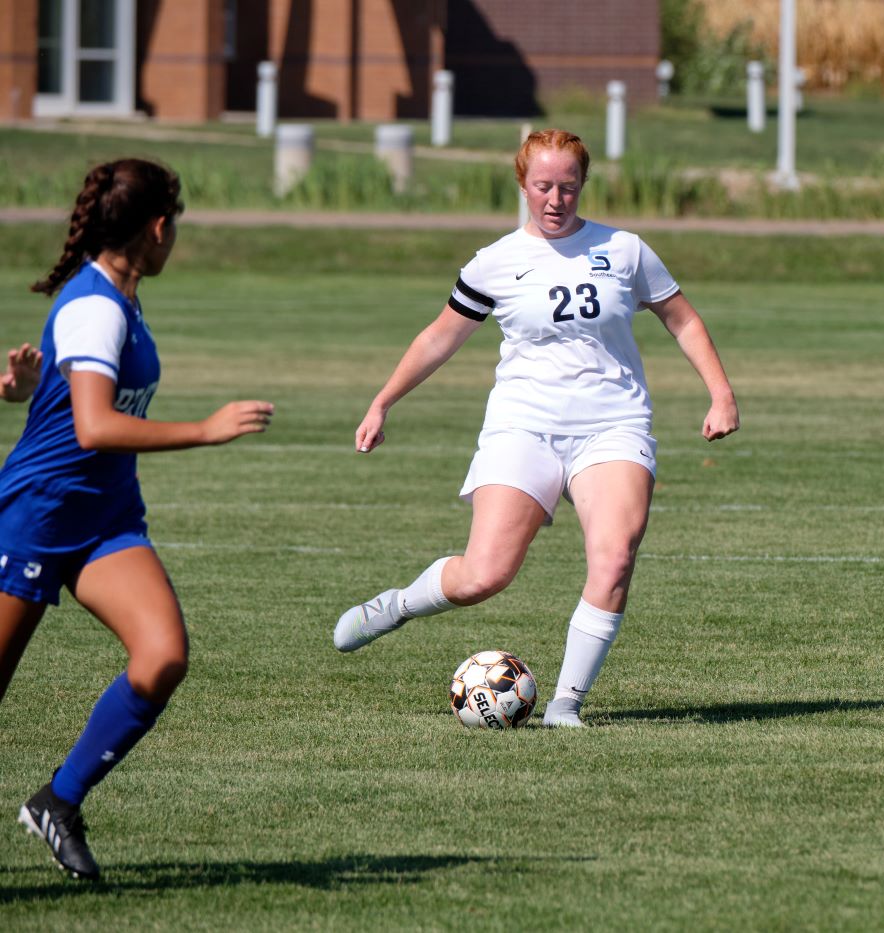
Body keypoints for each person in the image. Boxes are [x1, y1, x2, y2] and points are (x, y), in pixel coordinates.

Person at [334, 129, 739, 728]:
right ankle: (397, 606)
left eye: (568, 187)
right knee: (485, 574)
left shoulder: (624, 250)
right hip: (523, 427)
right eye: (544, 186)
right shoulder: (494, 262)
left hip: (613, 424)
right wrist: (382, 402)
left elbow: (682, 319)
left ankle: (565, 706)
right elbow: (440, 337)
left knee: (615, 557)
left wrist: (721, 392)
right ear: (523, 184)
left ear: (583, 186)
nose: (556, 199)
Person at [0, 159, 274, 879]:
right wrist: (207, 429)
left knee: (162, 657)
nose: (174, 235)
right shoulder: (97, 305)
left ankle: (57, 802)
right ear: (157, 228)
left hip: (106, 519)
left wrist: (25, 390)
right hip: (39, 516)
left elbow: (69, 403)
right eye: (174, 222)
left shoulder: (120, 295)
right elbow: (91, 426)